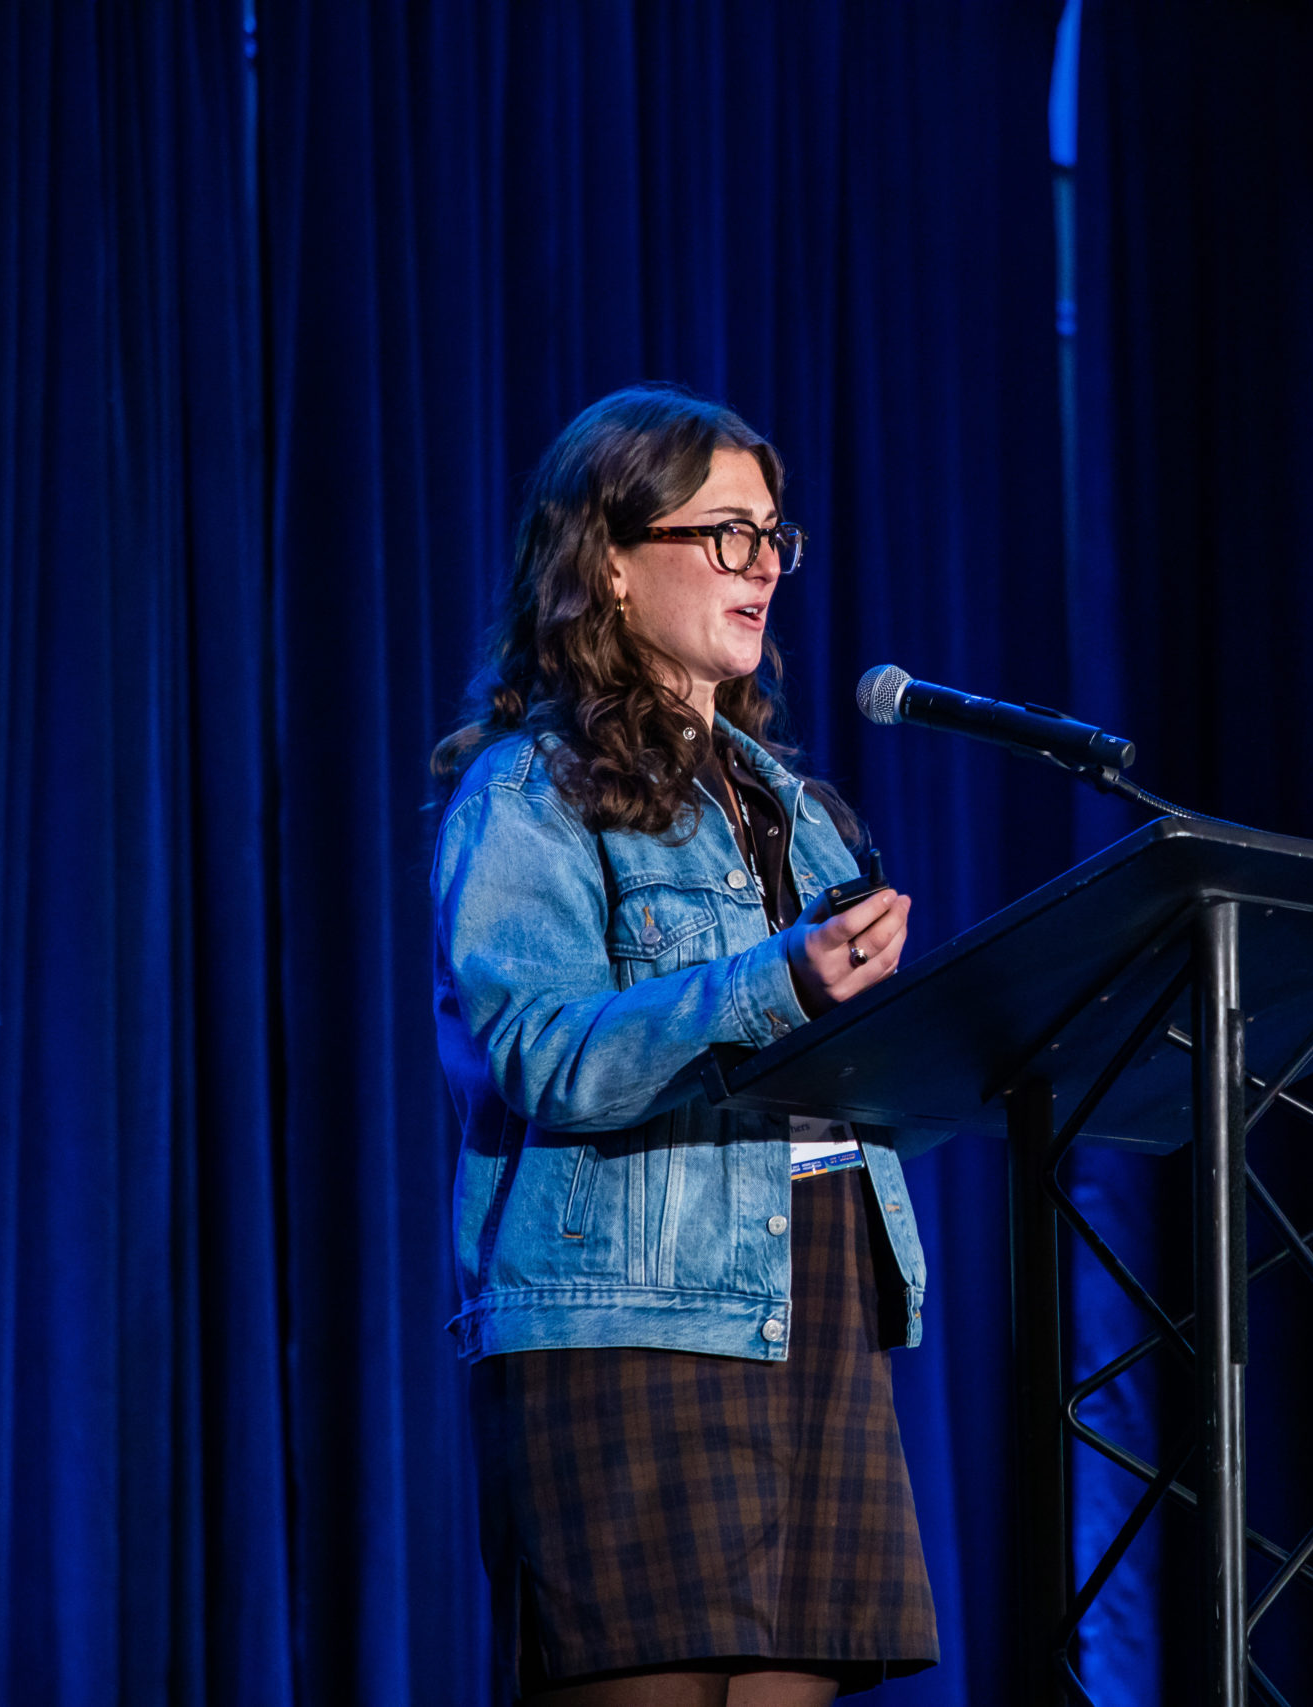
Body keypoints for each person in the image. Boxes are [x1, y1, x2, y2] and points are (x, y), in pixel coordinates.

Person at [431, 384, 936, 1706]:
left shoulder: (800, 807)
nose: (763, 564)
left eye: (775, 536)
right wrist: (774, 981)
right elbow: (539, 1051)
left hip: (808, 1295)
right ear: (607, 557)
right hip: (628, 1316)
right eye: (725, 532)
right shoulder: (528, 790)